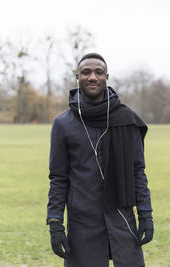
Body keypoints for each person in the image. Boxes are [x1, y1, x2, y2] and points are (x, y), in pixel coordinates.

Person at [46, 53, 153, 267]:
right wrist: (55, 223)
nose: (92, 77)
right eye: (86, 72)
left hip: (121, 217)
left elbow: (137, 171)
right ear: (78, 77)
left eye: (98, 72)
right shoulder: (63, 125)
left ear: (106, 77)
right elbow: (58, 178)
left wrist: (146, 214)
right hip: (82, 221)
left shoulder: (126, 119)